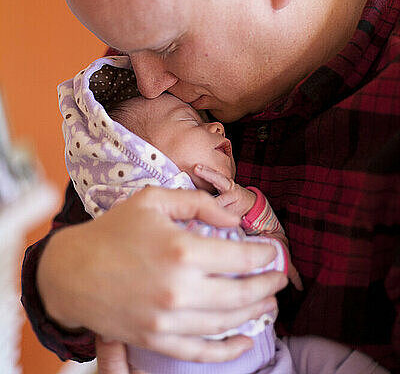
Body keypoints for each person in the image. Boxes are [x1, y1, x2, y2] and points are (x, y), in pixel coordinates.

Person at [21, 0, 399, 373]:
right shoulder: (157, 75)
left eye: (167, 44)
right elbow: (71, 275)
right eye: (126, 48)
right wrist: (62, 278)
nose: (148, 83)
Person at [58, 54, 387, 374]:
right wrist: (273, 254)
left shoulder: (215, 212)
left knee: (323, 354)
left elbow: (274, 251)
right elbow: (266, 268)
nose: (216, 127)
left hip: (271, 355)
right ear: (145, 164)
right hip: (241, 363)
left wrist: (249, 207)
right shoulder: (167, 240)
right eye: (189, 121)